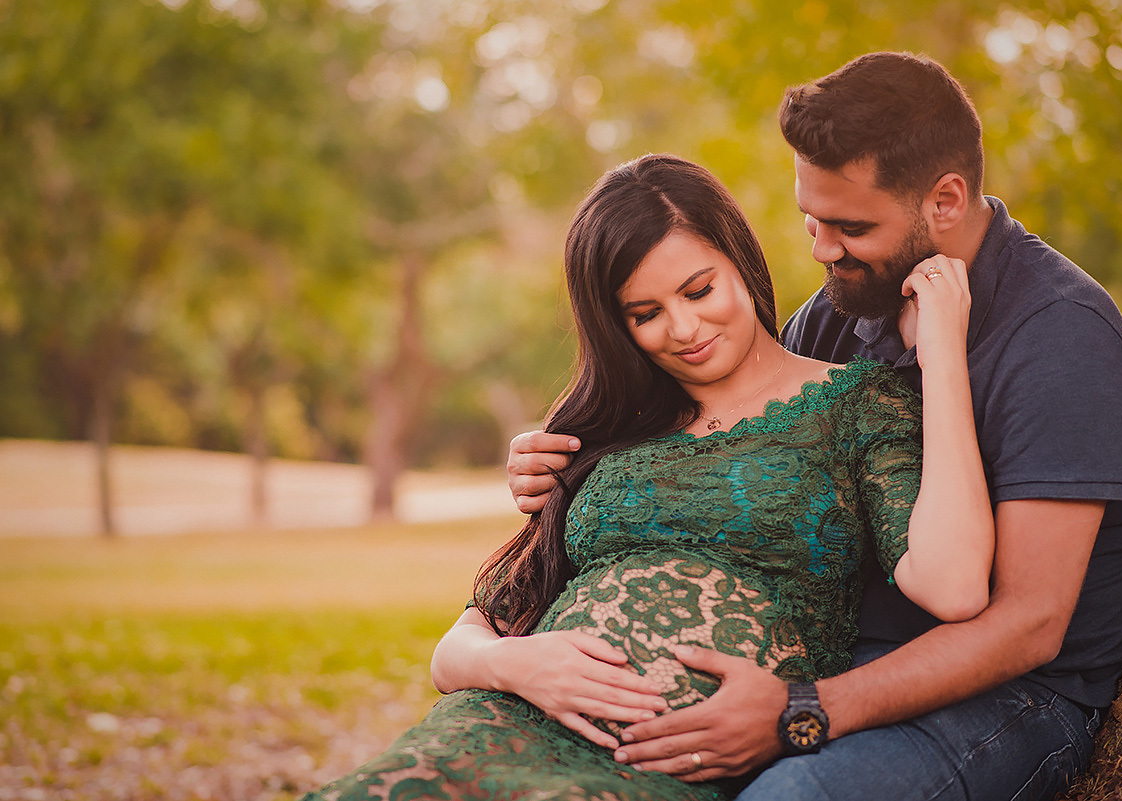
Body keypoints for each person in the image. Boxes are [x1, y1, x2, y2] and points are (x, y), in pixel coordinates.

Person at [507, 53, 1122, 800]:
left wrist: (801, 712)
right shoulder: (843, 304)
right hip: (832, 662)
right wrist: (565, 457)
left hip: (1010, 698)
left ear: (945, 200)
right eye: (811, 221)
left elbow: (1028, 625)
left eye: (851, 226)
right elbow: (736, 447)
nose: (821, 252)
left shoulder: (1062, 339)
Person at [299, 153, 994, 801]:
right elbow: (460, 643)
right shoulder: (608, 434)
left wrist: (941, 357)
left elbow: (956, 584)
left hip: (660, 762)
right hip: (498, 722)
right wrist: (518, 665)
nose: (685, 327)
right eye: (646, 313)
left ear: (740, 259)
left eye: (699, 289)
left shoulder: (856, 405)